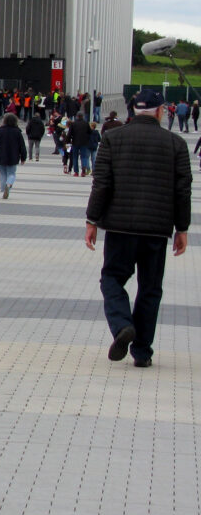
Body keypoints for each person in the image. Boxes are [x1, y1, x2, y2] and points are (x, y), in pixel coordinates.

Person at [85, 88, 190, 368]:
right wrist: (182, 228)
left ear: (133, 110)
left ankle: (121, 326)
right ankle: (142, 351)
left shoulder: (112, 138)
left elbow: (102, 183)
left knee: (112, 279)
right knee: (151, 288)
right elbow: (183, 190)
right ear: (159, 111)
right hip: (156, 230)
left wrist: (91, 220)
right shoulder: (176, 144)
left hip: (119, 227)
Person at [0, 113, 26, 199]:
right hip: (13, 156)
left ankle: (3, 189)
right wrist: (23, 157)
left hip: (0, 155)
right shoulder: (17, 132)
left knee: (2, 173)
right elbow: (22, 146)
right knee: (11, 173)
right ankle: (8, 184)